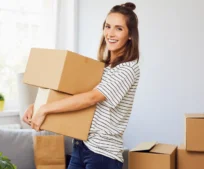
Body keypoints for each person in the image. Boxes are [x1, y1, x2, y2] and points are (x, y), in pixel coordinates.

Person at [23, 2, 140, 169]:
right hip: (81, 146)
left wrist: (45, 109)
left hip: (102, 154)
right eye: (108, 26)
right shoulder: (103, 68)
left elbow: (91, 98)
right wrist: (37, 106)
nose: (110, 33)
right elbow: (73, 95)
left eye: (119, 28)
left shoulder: (128, 69)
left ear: (130, 35)